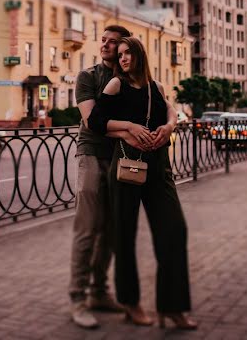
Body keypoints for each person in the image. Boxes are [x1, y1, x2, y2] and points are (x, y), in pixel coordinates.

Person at [87, 37, 197, 330]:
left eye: (128, 53)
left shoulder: (156, 87)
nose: (123, 59)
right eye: (120, 55)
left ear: (139, 55)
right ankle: (130, 302)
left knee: (174, 231)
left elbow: (172, 111)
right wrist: (128, 129)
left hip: (159, 168)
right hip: (126, 168)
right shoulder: (116, 86)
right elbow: (96, 122)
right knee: (124, 235)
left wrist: (170, 125)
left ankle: (172, 307)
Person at [68, 25, 132, 328]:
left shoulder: (132, 79)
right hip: (91, 153)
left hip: (120, 158)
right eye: (103, 40)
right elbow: (92, 123)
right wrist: (131, 129)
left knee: (110, 229)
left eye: (112, 42)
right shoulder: (88, 77)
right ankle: (77, 298)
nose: (105, 45)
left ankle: (98, 291)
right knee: (87, 228)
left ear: (125, 48)